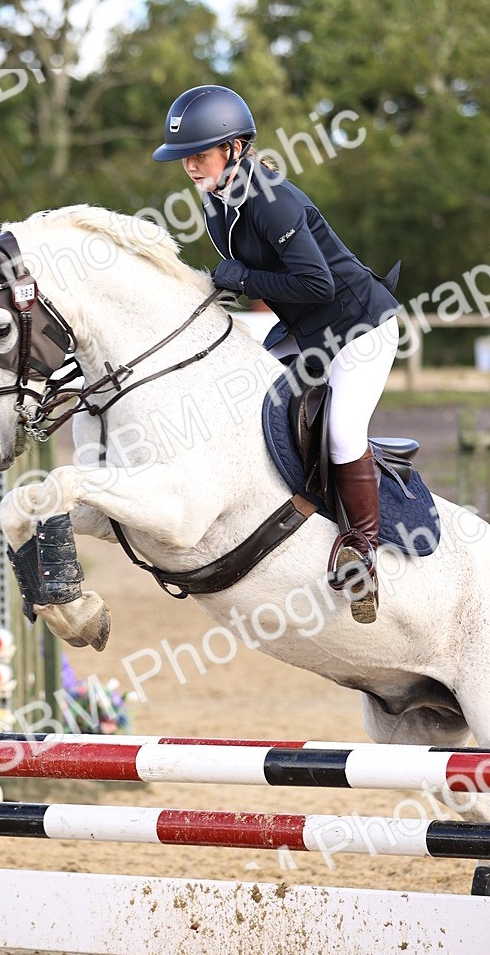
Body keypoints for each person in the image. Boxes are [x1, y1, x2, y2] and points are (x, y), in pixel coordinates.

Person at [153, 84, 400, 624]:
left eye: (200, 154)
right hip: (308, 331)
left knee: (342, 432)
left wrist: (241, 278)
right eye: (184, 158)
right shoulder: (217, 199)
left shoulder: (271, 198)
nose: (191, 167)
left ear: (236, 148)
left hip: (359, 327)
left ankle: (362, 551)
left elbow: (316, 285)